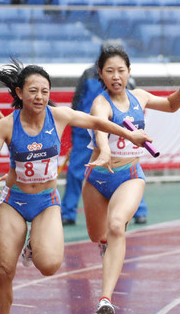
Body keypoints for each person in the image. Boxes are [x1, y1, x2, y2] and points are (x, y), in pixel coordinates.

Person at [0, 59, 151, 314]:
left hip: (46, 202)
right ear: (19, 93)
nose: (39, 97)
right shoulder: (7, 125)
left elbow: (96, 122)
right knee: (5, 268)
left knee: (49, 265)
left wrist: (129, 134)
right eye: (33, 91)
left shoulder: (58, 116)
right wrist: (10, 174)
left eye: (45, 91)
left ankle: (33, 245)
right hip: (14, 201)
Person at [81, 46, 180, 314]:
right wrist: (103, 150)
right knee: (96, 235)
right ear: (100, 73)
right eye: (110, 71)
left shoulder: (140, 97)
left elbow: (172, 105)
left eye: (121, 71)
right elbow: (101, 129)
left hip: (130, 175)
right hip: (97, 177)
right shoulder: (100, 103)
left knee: (116, 225)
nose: (116, 76)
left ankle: (105, 299)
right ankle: (106, 243)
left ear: (129, 72)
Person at [61, 40, 148, 226]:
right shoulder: (87, 74)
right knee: (78, 171)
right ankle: (68, 213)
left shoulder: (127, 80)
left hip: (117, 131)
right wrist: (77, 130)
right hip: (85, 131)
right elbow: (76, 103)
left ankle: (139, 210)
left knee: (129, 170)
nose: (115, 74)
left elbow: (132, 106)